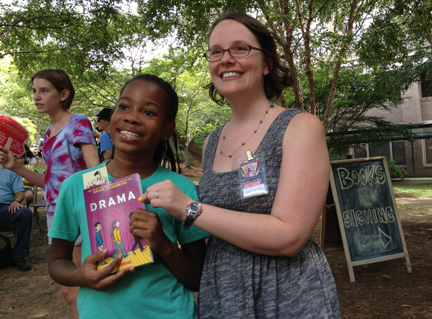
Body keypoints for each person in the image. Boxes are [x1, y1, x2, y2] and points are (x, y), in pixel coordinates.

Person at [139, 12, 341, 318]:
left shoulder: (300, 127)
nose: (225, 59)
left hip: (287, 293)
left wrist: (191, 209)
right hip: (224, 293)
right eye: (216, 51)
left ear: (267, 63)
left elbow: (290, 236)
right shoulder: (212, 142)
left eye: (240, 49)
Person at [47, 74, 209, 319]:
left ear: (167, 128)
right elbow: (57, 261)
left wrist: (163, 244)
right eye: (123, 106)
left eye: (149, 112)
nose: (132, 117)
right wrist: (80, 276)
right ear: (111, 118)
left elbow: (197, 277)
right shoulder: (76, 186)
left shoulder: (181, 189)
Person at [0, 69, 100, 319]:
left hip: (78, 212)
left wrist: (96, 209)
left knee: (77, 286)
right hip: (56, 213)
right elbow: (50, 183)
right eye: (34, 91)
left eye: (44, 90)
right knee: (69, 289)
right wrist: (16, 167)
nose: (36, 96)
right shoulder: (47, 133)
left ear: (63, 93)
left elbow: (95, 170)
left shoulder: (78, 122)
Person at [0, 168, 33, 271]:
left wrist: (17, 201)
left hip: (6, 207)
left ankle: (19, 256)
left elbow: (20, 192)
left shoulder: (11, 171)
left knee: (25, 213)